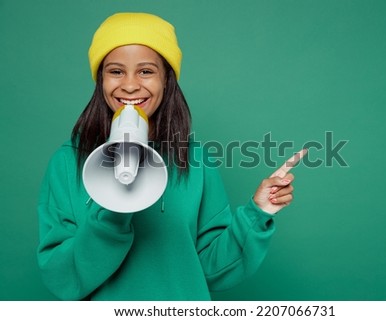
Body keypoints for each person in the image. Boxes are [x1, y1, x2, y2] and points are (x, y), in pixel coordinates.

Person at [37, 12, 306, 300]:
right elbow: (63, 277)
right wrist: (113, 211)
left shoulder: (195, 159)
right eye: (115, 71)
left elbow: (212, 268)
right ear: (100, 79)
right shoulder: (68, 162)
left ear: (167, 79)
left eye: (146, 71)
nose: (129, 85)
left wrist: (258, 212)